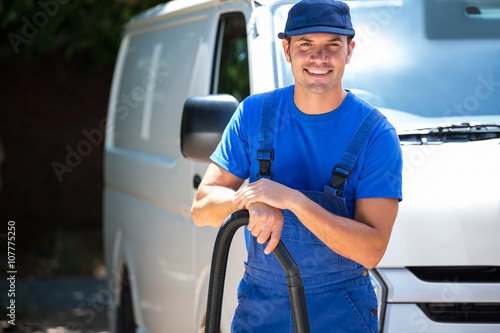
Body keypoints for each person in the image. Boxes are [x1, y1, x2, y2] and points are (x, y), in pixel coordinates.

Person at [191, 0, 403, 331]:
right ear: (287, 49)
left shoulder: (375, 134)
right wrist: (250, 203)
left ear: (350, 50)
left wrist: (293, 201)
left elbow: (371, 250)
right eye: (306, 44)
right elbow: (201, 208)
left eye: (332, 45)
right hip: (262, 309)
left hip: (340, 312)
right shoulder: (254, 115)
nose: (319, 58)